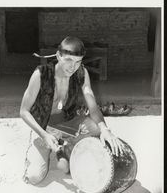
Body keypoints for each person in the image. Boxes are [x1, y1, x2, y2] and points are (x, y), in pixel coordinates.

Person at [20, 36, 125, 185]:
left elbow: (93, 108)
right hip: (43, 126)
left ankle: (65, 146)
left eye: (78, 61)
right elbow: (23, 112)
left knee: (96, 127)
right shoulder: (41, 74)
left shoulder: (82, 73)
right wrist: (44, 135)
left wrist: (106, 130)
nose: (73, 67)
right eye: (68, 60)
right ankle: (50, 145)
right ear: (58, 56)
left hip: (67, 121)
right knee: (34, 177)